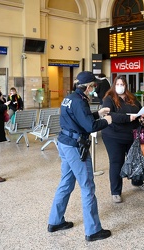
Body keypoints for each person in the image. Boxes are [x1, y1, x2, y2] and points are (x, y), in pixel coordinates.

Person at [47, 71, 113, 242]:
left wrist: (98, 114)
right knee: (87, 186)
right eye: (94, 86)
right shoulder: (80, 102)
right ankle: (93, 230)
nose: (94, 89)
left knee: (66, 182)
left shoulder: (70, 98)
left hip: (65, 142)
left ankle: (55, 221)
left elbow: (80, 119)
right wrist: (106, 121)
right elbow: (90, 127)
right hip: (75, 147)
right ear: (88, 86)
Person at [101, 75, 144, 204]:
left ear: (126, 86)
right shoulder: (109, 99)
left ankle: (137, 182)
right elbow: (110, 115)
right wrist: (128, 118)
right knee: (116, 162)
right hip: (113, 136)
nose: (120, 86)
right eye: (118, 84)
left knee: (134, 159)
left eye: (122, 84)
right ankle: (116, 192)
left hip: (131, 135)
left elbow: (139, 109)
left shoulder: (131, 98)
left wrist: (141, 115)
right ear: (114, 85)